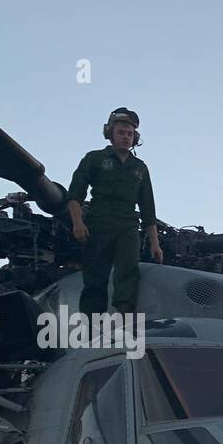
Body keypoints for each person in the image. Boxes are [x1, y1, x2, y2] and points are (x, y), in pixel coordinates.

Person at [66, 108, 162, 318]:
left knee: (128, 270)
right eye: (121, 132)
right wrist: (78, 223)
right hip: (98, 224)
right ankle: (91, 326)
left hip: (127, 225)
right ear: (110, 133)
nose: (126, 137)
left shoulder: (140, 167)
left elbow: (148, 208)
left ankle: (124, 317)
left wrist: (155, 243)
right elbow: (75, 194)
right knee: (94, 276)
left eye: (130, 134)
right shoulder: (94, 158)